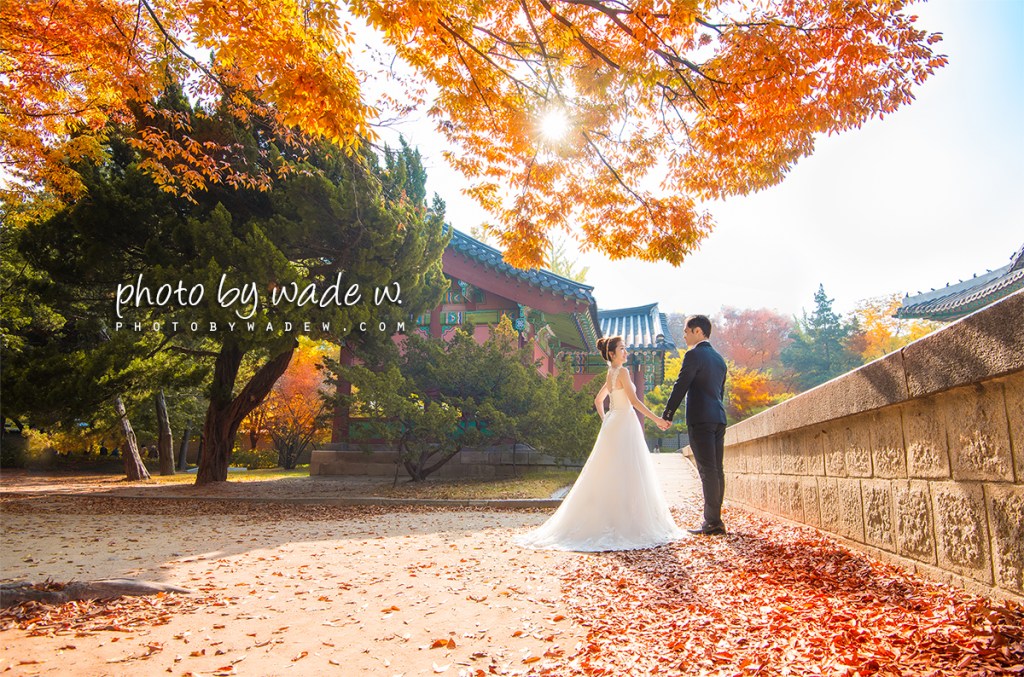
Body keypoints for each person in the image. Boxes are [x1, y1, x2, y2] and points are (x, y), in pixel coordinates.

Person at [514, 335, 684, 551]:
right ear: (612, 353)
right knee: (628, 471)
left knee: (608, 471)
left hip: (614, 423)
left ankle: (609, 518)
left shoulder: (610, 372)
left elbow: (598, 400)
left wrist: (606, 419)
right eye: (622, 349)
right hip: (625, 423)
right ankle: (626, 521)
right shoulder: (622, 371)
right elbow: (634, 402)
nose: (626, 352)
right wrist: (658, 419)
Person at [658, 315, 729, 535]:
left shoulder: (693, 355)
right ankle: (715, 519)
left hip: (701, 419)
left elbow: (681, 385)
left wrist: (667, 413)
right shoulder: (719, 359)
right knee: (717, 470)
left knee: (707, 470)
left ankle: (712, 522)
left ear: (698, 331)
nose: (685, 336)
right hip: (718, 417)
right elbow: (720, 392)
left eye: (687, 332)